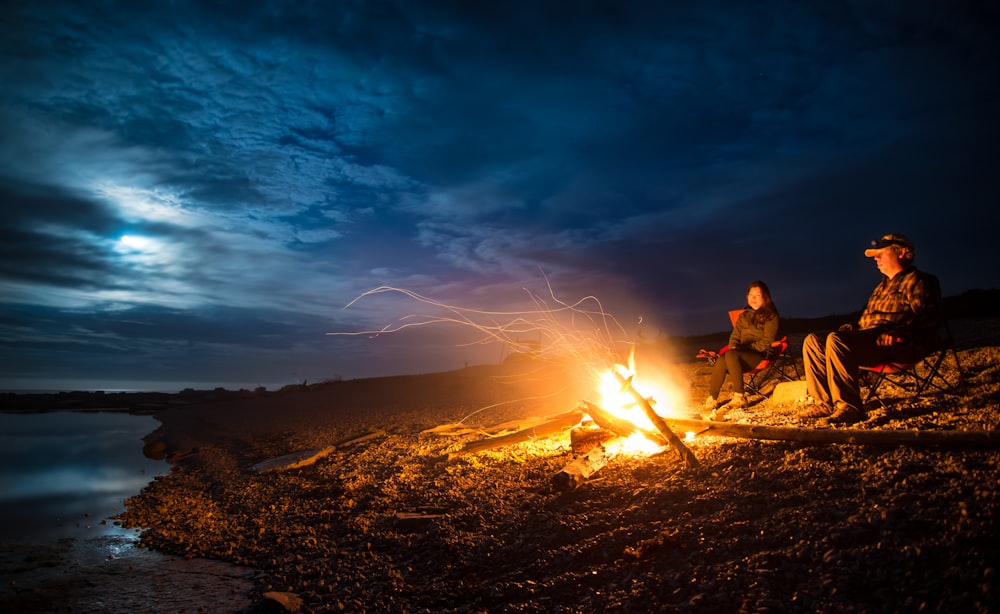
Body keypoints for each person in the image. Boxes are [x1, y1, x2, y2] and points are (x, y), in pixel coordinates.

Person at [800, 233, 941, 425]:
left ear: (903, 252)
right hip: (871, 338)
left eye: (881, 253)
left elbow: (927, 316)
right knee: (813, 340)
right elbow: (867, 321)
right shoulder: (880, 287)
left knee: (837, 340)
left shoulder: (919, 281)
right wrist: (852, 328)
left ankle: (849, 407)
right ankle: (823, 403)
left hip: (897, 343)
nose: (876, 258)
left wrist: (898, 332)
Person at [703, 280, 780, 420]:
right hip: (738, 356)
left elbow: (767, 342)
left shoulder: (771, 316)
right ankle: (712, 398)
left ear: (765, 297)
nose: (753, 298)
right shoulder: (743, 316)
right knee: (722, 358)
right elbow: (734, 336)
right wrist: (734, 346)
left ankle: (739, 396)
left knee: (731, 354)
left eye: (757, 295)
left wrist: (744, 349)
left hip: (758, 355)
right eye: (751, 295)